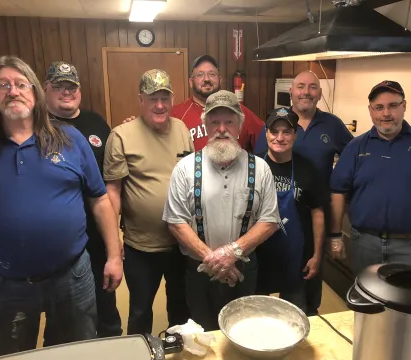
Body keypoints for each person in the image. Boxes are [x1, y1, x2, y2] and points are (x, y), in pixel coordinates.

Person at [0, 56, 123, 356]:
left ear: (35, 93)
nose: (13, 91)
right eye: (3, 85)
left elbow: (100, 198)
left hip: (71, 277)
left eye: (21, 84)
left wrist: (114, 256)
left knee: (74, 352)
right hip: (5, 287)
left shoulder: (70, 139)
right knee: (13, 355)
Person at [163, 90, 279, 331]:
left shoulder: (260, 168)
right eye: (215, 122)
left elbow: (269, 221)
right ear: (205, 126)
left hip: (244, 269)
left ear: (240, 126)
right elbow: (175, 222)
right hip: (200, 270)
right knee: (202, 335)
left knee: (244, 331)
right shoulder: (184, 168)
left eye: (229, 121)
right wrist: (213, 259)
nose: (222, 128)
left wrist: (233, 253)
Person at [255, 70, 353, 314]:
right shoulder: (256, 162)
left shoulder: (333, 125)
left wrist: (339, 181)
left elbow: (353, 156)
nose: (306, 92)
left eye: (312, 87)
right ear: (291, 92)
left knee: (302, 307)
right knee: (258, 308)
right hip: (262, 242)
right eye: (300, 86)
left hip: (306, 229)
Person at [103, 69, 193, 335]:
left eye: (165, 97)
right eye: (153, 98)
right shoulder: (121, 135)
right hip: (141, 248)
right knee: (141, 310)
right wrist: (113, 240)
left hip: (181, 244)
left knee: (180, 308)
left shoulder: (182, 129)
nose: (160, 105)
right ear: (141, 99)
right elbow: (113, 191)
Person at [329, 80, 411, 274]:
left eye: (393, 105)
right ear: (370, 110)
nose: (386, 114)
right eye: (379, 107)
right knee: (367, 301)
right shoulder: (356, 147)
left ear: (404, 106)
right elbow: (338, 191)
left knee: (410, 302)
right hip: (364, 244)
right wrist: (335, 235)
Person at [43, 61, 122, 338]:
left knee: (106, 307)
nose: (67, 92)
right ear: (45, 89)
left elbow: (113, 176)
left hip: (98, 232)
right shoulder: (37, 127)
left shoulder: (96, 122)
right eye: (59, 86)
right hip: (60, 241)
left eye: (72, 86)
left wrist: (114, 241)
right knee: (63, 321)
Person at [255, 107, 327, 316]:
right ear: (266, 133)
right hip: (260, 258)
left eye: (286, 131)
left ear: (295, 134)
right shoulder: (254, 166)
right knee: (258, 317)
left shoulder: (308, 169)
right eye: (274, 131)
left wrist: (317, 255)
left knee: (296, 317)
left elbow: (318, 213)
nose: (280, 137)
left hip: (296, 259)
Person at [125, 55, 264, 152]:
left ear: (220, 79)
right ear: (191, 82)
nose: (207, 79)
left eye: (212, 74)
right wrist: (135, 125)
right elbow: (150, 134)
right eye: (200, 74)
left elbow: (268, 138)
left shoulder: (239, 111)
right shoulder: (176, 114)